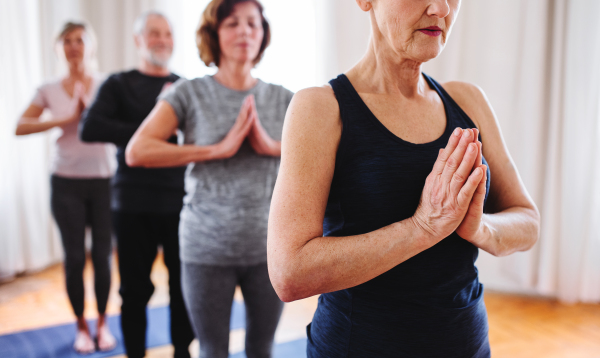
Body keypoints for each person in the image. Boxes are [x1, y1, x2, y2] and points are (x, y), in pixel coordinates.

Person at [267, 0, 541, 357]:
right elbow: (290, 272)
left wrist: (478, 229)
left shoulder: (468, 100)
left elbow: (527, 221)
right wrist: (423, 228)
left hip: (467, 344)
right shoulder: (320, 109)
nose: (441, 8)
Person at [125, 1, 293, 357]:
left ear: (263, 34)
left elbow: (323, 157)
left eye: (252, 23)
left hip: (269, 250)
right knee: (212, 349)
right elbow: (137, 150)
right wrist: (215, 150)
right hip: (206, 248)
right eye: (232, 23)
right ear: (214, 34)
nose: (245, 30)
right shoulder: (189, 92)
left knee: (262, 348)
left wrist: (272, 147)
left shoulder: (284, 99)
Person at [78, 11, 194, 358]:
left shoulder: (185, 86)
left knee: (183, 287)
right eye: (153, 33)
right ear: (138, 40)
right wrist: (151, 132)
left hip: (181, 203)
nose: (162, 39)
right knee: (134, 290)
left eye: (167, 33)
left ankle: (182, 352)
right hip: (132, 205)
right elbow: (89, 128)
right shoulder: (118, 83)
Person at [15, 22, 117, 354]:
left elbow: (127, 125)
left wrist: (91, 116)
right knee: (74, 258)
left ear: (91, 46)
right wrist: (66, 119)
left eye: (80, 40)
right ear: (59, 48)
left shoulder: (106, 84)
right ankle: (81, 327)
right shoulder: (48, 88)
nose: (74, 46)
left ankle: (103, 324)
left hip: (104, 182)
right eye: (67, 41)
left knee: (102, 257)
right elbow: (21, 126)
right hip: (66, 183)